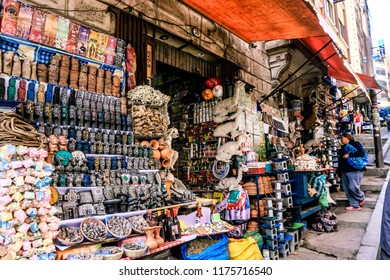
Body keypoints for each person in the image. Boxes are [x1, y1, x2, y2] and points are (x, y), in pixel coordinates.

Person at [337, 132, 366, 211]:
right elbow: (341, 159)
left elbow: (361, 153)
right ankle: (354, 205)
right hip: (344, 170)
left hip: (354, 169)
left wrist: (350, 155)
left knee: (353, 187)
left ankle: (361, 197)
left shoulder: (355, 144)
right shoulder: (343, 147)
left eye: (342, 138)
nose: (341, 140)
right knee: (347, 189)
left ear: (347, 138)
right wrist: (339, 171)